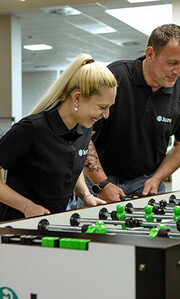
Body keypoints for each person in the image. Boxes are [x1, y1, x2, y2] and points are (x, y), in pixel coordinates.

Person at [84, 23, 180, 202]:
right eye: (172, 63)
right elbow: (83, 136)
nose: (178, 71)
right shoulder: (114, 77)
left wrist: (157, 178)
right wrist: (102, 183)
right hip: (99, 181)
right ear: (150, 54)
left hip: (146, 183)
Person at [0, 54, 117, 221]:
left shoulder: (84, 128)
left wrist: (86, 196)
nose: (106, 115)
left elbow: (71, 167)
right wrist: (26, 206)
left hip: (56, 223)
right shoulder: (32, 128)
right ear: (77, 98)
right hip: (18, 226)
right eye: (102, 107)